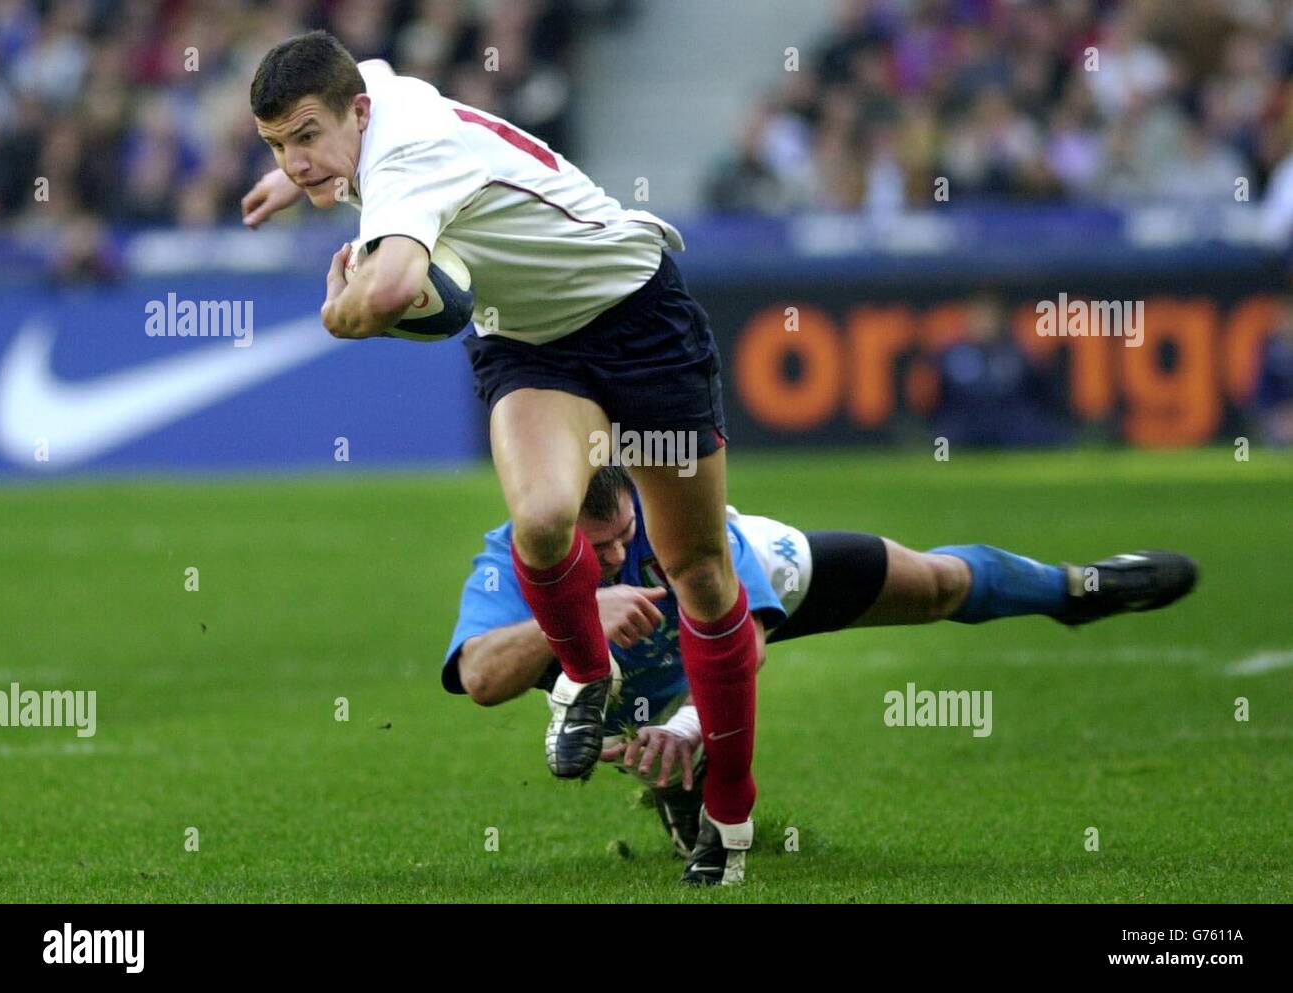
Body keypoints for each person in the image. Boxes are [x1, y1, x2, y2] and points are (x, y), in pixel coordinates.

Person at [243, 31, 762, 883]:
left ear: (358, 116)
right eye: (276, 144)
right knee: (543, 515)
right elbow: (339, 114)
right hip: (532, 346)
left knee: (700, 571)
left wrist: (337, 312)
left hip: (640, 317)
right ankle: (585, 678)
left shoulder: (404, 162)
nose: (296, 158)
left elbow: (382, 292)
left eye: (305, 137)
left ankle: (730, 812)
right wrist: (299, 176)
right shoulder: (367, 93)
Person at [445, 467, 1197, 868]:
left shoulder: (682, 519)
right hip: (623, 694)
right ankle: (679, 781)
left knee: (933, 584)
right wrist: (573, 618)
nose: (615, 557)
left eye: (623, 537)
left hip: (753, 594)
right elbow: (480, 676)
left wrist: (688, 722)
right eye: (595, 544)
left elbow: (744, 642)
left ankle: (1072, 587)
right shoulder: (510, 556)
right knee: (627, 722)